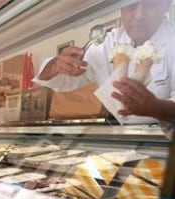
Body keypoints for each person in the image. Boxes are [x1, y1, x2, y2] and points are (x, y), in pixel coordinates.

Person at [36, 0, 175, 137]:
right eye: (131, 5)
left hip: (167, 136)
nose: (139, 15)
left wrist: (157, 107)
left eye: (150, 5)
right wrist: (55, 65)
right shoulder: (106, 44)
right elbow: (65, 81)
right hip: (123, 134)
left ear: (166, 5)